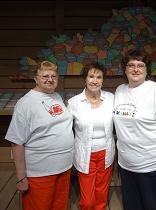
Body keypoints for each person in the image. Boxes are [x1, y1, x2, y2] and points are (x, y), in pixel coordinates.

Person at [113, 50, 156, 210]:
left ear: (146, 70)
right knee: (131, 206)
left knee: (151, 206)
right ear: (125, 69)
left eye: (140, 65)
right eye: (131, 65)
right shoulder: (120, 90)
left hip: (150, 166)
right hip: (126, 165)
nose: (136, 69)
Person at [5, 61, 74, 210]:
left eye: (54, 76)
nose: (50, 79)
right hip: (40, 172)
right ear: (35, 78)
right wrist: (21, 176)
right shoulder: (25, 103)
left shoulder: (56, 96)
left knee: (59, 206)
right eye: (45, 76)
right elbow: (16, 142)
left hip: (64, 167)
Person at [67, 63, 115, 210]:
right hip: (85, 154)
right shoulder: (73, 102)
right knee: (87, 201)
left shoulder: (112, 99)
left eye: (99, 77)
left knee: (101, 194)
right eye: (91, 76)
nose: (95, 80)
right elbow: (66, 130)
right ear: (85, 79)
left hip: (106, 153)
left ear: (103, 80)